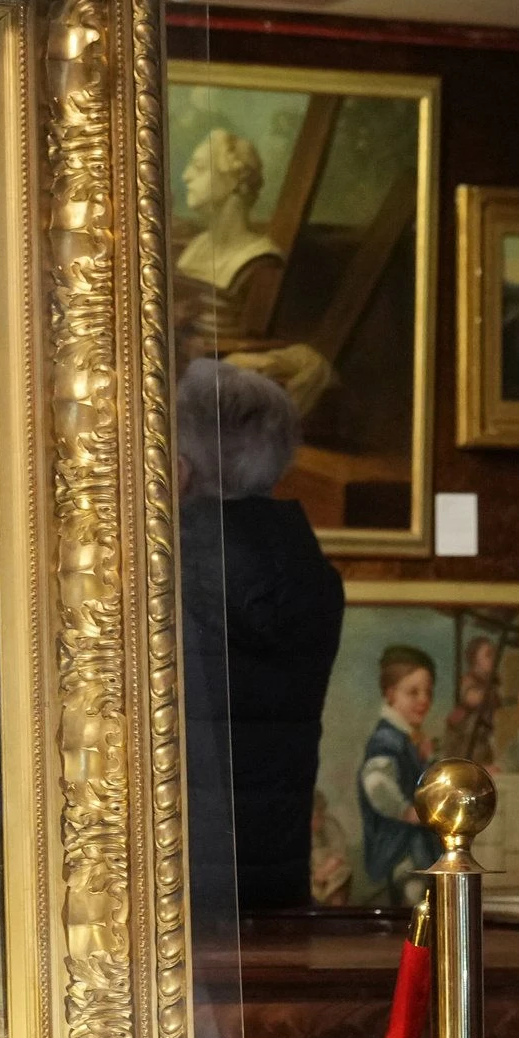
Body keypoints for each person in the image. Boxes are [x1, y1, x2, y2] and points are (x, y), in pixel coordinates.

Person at [175, 358, 346, 913]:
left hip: (174, 894)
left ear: (179, 467)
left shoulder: (160, 579)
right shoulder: (314, 582)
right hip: (280, 885)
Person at [173, 127, 335, 417]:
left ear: (234, 181)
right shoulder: (196, 246)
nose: (186, 176)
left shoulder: (260, 256)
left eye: (198, 168)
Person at [358, 646, 444, 906]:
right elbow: (376, 783)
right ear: (390, 694)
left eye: (428, 692)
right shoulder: (387, 739)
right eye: (413, 692)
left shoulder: (410, 739)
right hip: (397, 848)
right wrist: (407, 811)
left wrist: (426, 760)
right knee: (414, 899)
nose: (424, 700)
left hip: (415, 844)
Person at [434, 634, 503, 764]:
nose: (494, 658)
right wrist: (491, 694)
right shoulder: (470, 680)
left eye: (494, 654)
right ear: (475, 660)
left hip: (486, 731)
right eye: (488, 655)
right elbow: (472, 698)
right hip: (468, 733)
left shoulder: (494, 681)